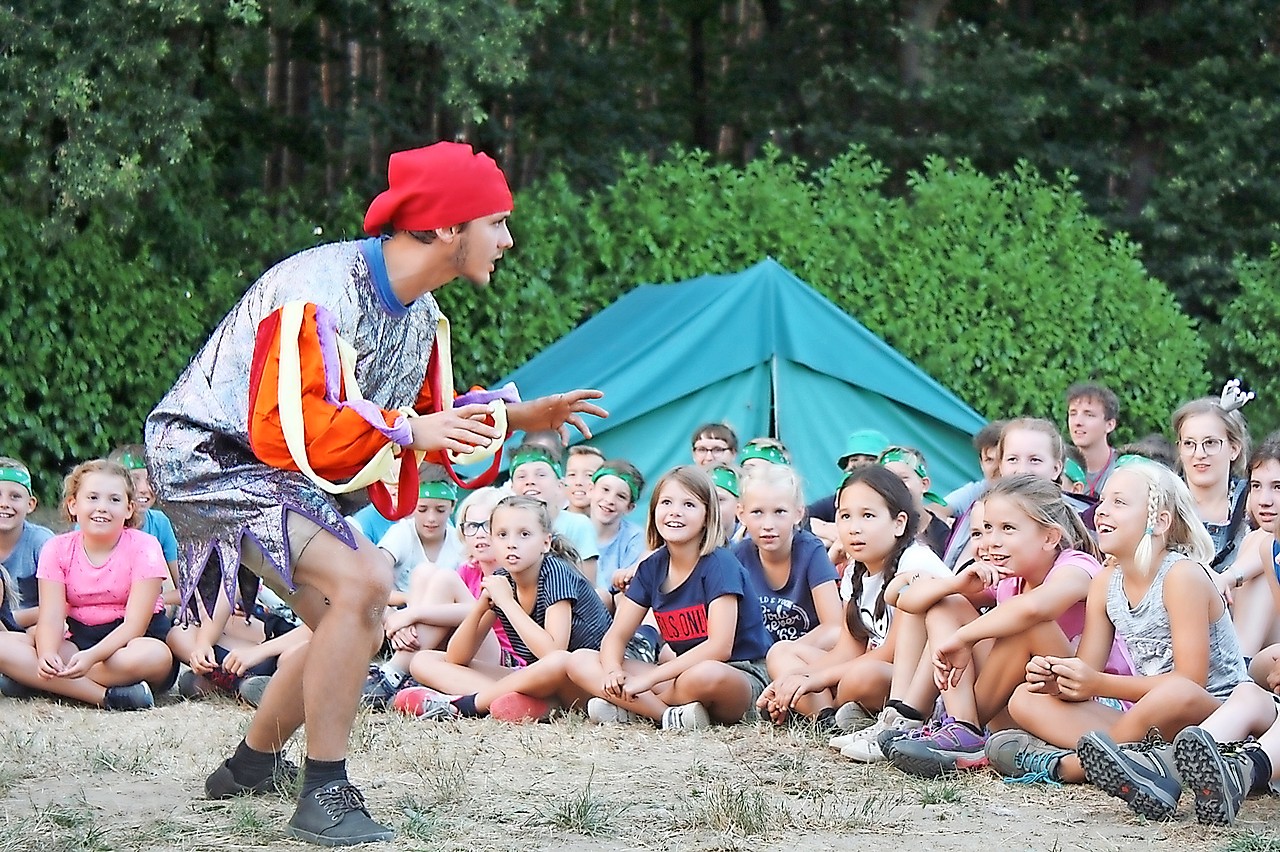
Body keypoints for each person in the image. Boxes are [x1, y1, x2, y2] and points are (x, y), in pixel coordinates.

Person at [143, 141, 606, 846]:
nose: (509, 240)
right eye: (498, 221)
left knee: (344, 615)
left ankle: (248, 765)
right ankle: (324, 792)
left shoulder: (419, 316)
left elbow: (431, 420)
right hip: (210, 456)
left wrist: (517, 417)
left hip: (276, 467)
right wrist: (414, 430)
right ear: (449, 226)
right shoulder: (318, 290)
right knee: (367, 578)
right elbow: (290, 426)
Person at [992, 459, 1248, 816]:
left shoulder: (1182, 576)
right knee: (1025, 698)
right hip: (1144, 719)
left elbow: (1192, 682)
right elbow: (1086, 670)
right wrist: (1057, 677)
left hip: (1212, 717)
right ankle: (1134, 760)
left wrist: (1097, 683)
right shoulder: (1105, 582)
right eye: (1104, 501)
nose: (1102, 511)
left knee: (1178, 693)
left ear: (1159, 522)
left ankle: (1073, 766)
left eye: (1120, 503)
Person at [887, 474, 1125, 777]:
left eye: (1007, 529)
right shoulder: (1009, 578)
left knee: (1027, 624)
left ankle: (964, 733)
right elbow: (901, 598)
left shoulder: (1077, 567)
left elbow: (1037, 608)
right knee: (948, 605)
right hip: (1018, 702)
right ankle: (959, 727)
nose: (991, 541)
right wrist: (955, 583)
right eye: (986, 529)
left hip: (1082, 701)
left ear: (1050, 538)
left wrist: (964, 638)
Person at [565, 465, 773, 729]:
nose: (675, 511)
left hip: (739, 673)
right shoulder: (652, 567)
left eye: (689, 504)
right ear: (653, 512)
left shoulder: (720, 564)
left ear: (707, 515)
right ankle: (666, 716)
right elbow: (616, 636)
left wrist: (648, 682)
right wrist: (612, 671)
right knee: (580, 660)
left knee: (704, 674)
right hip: (680, 675)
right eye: (666, 502)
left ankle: (634, 707)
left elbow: (719, 647)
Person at [756, 466, 939, 735]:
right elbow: (847, 649)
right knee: (782, 653)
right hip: (870, 667)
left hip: (914, 680)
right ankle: (826, 718)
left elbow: (891, 653)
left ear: (898, 523)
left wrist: (813, 679)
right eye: (845, 516)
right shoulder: (856, 568)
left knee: (861, 677)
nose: (854, 528)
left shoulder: (915, 562)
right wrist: (793, 679)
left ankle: (818, 707)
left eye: (867, 516)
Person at [398, 496, 613, 721]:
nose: (512, 543)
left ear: (545, 542)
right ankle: (523, 704)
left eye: (524, 534)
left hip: (584, 685)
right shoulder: (503, 579)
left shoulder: (556, 574)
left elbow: (553, 653)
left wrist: (507, 603)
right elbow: (455, 658)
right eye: (502, 535)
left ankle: (468, 704)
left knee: (559, 661)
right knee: (424, 661)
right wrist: (481, 606)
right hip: (540, 681)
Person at [0, 460, 175, 710]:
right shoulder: (57, 548)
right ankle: (108, 697)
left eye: (114, 500)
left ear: (129, 509)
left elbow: (134, 626)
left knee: (154, 656)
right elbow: (51, 615)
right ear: (73, 505)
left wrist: (91, 657)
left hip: (133, 642)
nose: (102, 507)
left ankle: (36, 680)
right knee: (6, 644)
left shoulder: (145, 547)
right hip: (79, 639)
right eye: (92, 497)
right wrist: (48, 652)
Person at [360, 486, 516, 707]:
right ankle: (404, 670)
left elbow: (483, 611)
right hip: (459, 653)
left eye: (488, 525)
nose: (480, 533)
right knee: (425, 572)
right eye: (472, 526)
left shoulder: (511, 570)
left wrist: (411, 614)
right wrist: (408, 625)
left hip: (501, 660)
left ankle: (395, 671)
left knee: (444, 579)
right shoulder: (468, 570)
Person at [731, 464, 841, 648]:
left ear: (798, 513)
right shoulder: (737, 557)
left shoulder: (811, 551)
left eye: (779, 512)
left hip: (804, 659)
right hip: (754, 663)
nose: (768, 524)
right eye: (757, 512)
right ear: (741, 514)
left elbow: (834, 627)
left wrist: (783, 652)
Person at [1211, 437, 1280, 657]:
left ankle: (1238, 669)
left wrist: (1226, 578)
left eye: (1278, 487)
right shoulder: (1263, 546)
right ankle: (1239, 667)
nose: (1264, 500)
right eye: (1256, 486)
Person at [1172, 390, 1251, 578]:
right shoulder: (1163, 502)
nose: (1199, 453)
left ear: (1234, 449)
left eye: (1210, 443)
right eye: (1189, 443)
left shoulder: (1253, 500)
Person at [508, 443, 600, 583]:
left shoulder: (577, 524)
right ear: (512, 487)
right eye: (521, 476)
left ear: (560, 485)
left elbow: (589, 585)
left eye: (541, 474)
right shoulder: (506, 527)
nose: (530, 482)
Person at [374, 471, 465, 605]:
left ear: (452, 507)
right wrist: (407, 599)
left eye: (440, 510)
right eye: (422, 509)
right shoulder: (402, 533)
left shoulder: (459, 542)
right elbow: (373, 577)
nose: (431, 518)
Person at [0, 458, 54, 631]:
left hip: (35, 629)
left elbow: (61, 604)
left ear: (30, 504)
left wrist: (10, 618)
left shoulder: (42, 543)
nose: (4, 504)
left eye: (15, 496)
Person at [877, 446, 950, 558]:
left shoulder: (944, 537)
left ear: (924, 484)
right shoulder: (876, 531)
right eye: (888, 479)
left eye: (904, 478)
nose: (895, 484)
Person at [590, 460, 646, 590]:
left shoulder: (635, 539)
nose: (610, 500)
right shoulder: (571, 528)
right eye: (605, 490)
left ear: (630, 508)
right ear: (590, 490)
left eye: (621, 496)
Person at [937, 420, 1006, 519]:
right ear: (981, 463)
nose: (997, 468)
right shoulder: (976, 491)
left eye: (1002, 459)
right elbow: (939, 508)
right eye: (989, 460)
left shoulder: (1031, 495)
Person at [1065, 382, 1120, 497]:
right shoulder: (1058, 466)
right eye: (1073, 414)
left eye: (1089, 415)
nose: (1078, 422)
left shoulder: (1122, 469)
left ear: (1110, 425)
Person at [563, 446, 605, 518]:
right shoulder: (548, 524)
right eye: (572, 474)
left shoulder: (614, 527)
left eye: (589, 475)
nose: (578, 482)